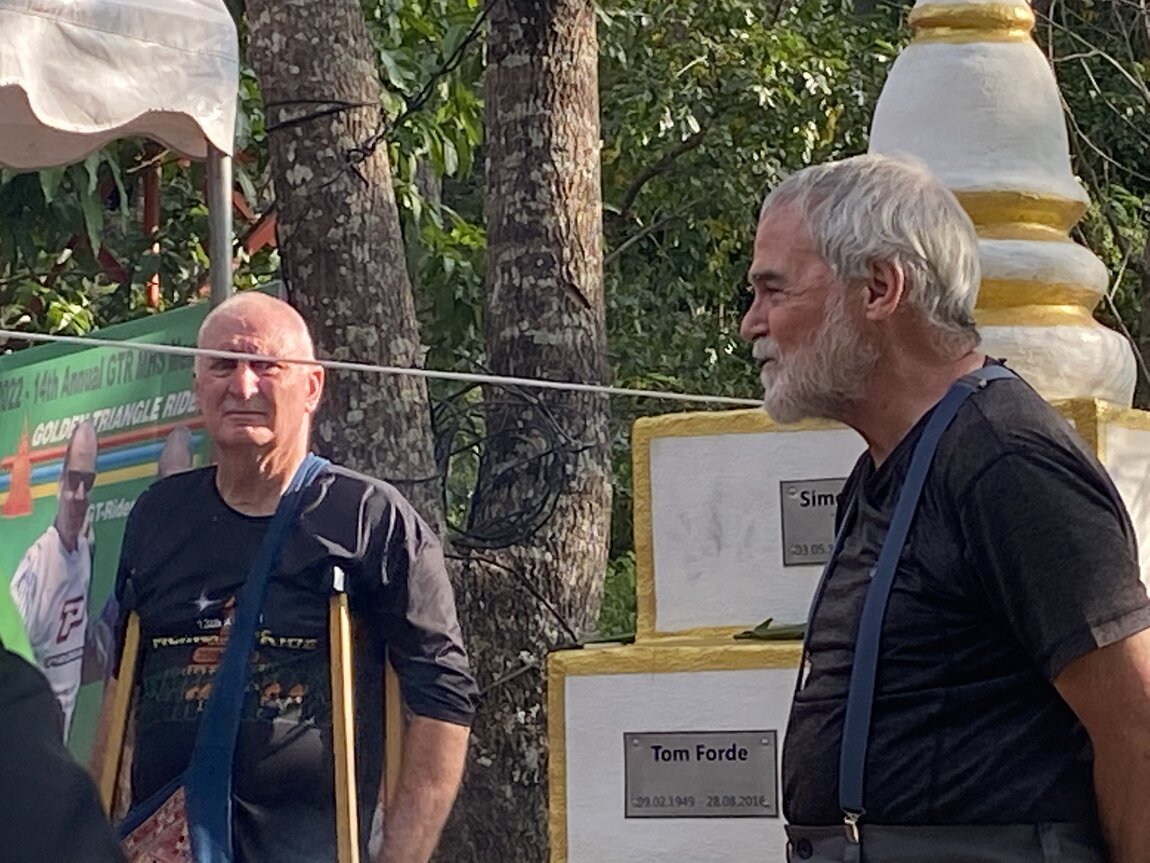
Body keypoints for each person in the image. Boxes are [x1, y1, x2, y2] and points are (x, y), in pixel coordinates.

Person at [740, 154, 1150, 862]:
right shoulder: (887, 465)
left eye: (774, 290)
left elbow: (1137, 724)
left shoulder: (1004, 460)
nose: (752, 323)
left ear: (879, 288)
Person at [99, 292, 478, 862]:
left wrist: (401, 856)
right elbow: (121, 689)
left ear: (312, 387)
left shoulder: (368, 518)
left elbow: (442, 699)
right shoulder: (158, 516)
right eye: (222, 366)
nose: (242, 385)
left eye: (265, 365)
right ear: (197, 387)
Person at [10, 420, 99, 738]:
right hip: (28, 737)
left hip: (61, 734)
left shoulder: (84, 550)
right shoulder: (38, 566)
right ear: (60, 482)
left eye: (87, 482)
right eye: (73, 480)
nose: (79, 494)